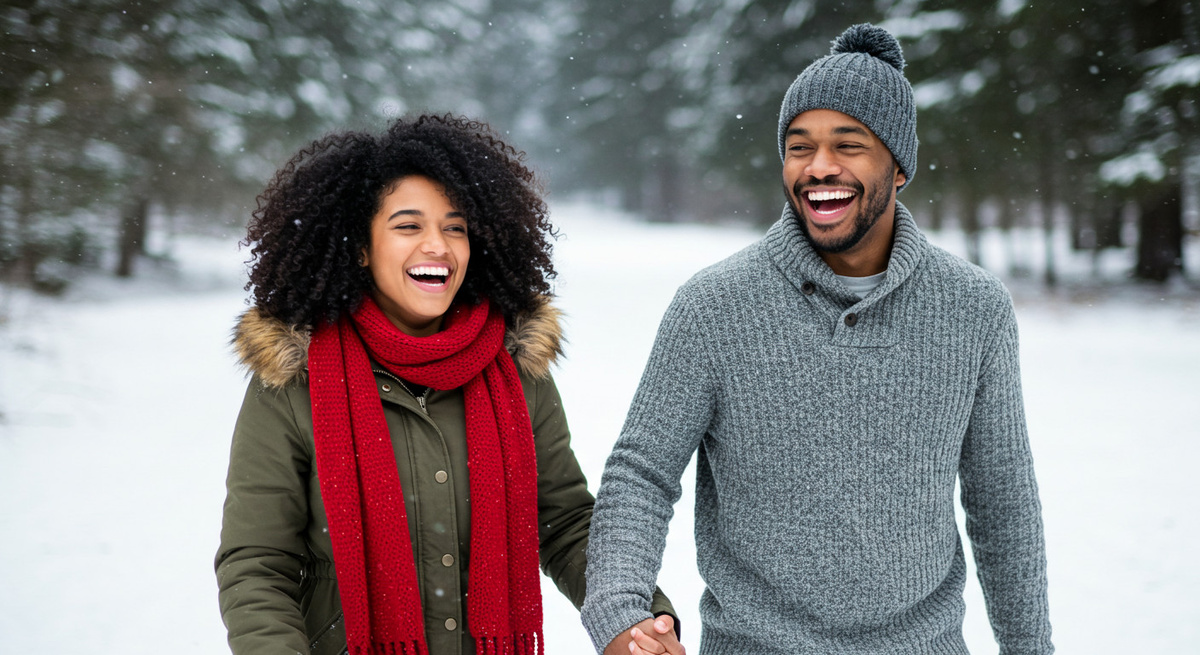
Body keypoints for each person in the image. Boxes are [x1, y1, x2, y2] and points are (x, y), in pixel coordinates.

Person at [581, 24, 1054, 655]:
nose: (819, 168)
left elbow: (1003, 503)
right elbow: (642, 474)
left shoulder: (974, 308)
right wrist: (618, 609)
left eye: (849, 145)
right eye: (799, 146)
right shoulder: (715, 305)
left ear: (899, 165)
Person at [215, 114, 683, 655]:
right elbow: (257, 563)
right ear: (360, 247)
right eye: (408, 226)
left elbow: (565, 523)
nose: (437, 245)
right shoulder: (296, 380)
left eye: (455, 227)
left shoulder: (516, 368)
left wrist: (633, 616)